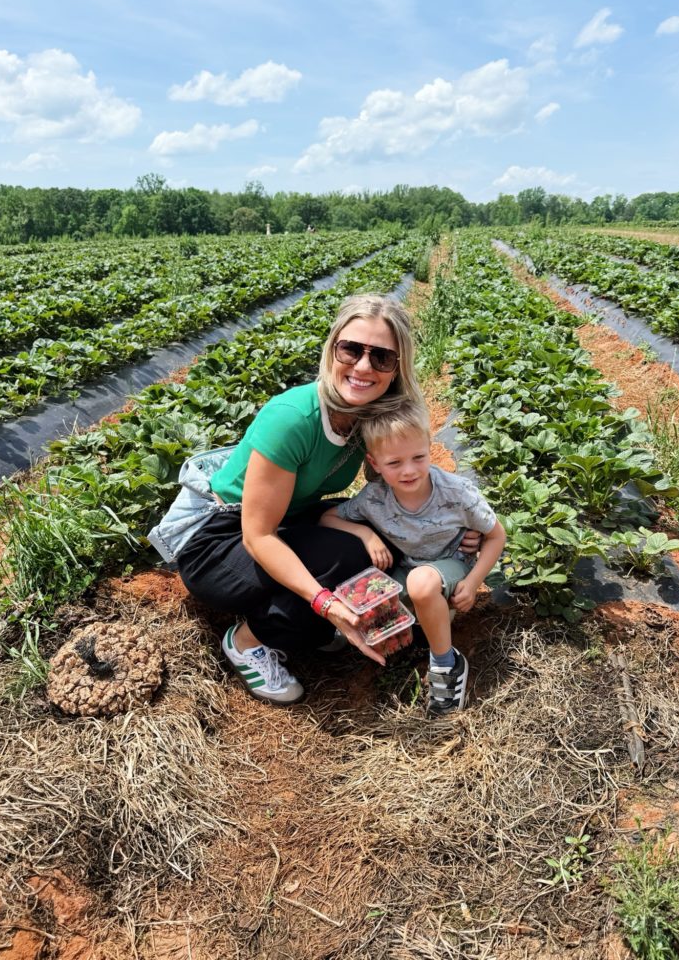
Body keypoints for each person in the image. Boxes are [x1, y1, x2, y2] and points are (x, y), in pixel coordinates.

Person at [176, 293, 483, 706]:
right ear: (332, 347)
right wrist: (326, 604)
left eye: (381, 358)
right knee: (341, 559)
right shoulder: (293, 418)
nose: (362, 367)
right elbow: (258, 536)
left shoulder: (371, 416)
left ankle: (312, 626)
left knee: (379, 543)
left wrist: (458, 525)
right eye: (351, 349)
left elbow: (396, 491)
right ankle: (247, 641)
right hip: (221, 540)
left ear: (397, 368)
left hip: (293, 518)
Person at [319, 400, 506, 718]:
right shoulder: (374, 498)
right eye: (394, 463)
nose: (409, 470)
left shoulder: (456, 493)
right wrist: (367, 535)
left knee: (421, 584)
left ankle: (447, 663)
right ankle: (397, 625)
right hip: (410, 566)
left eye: (418, 457)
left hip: (453, 563)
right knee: (371, 599)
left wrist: (473, 583)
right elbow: (328, 518)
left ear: (430, 449)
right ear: (374, 463)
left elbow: (496, 536)